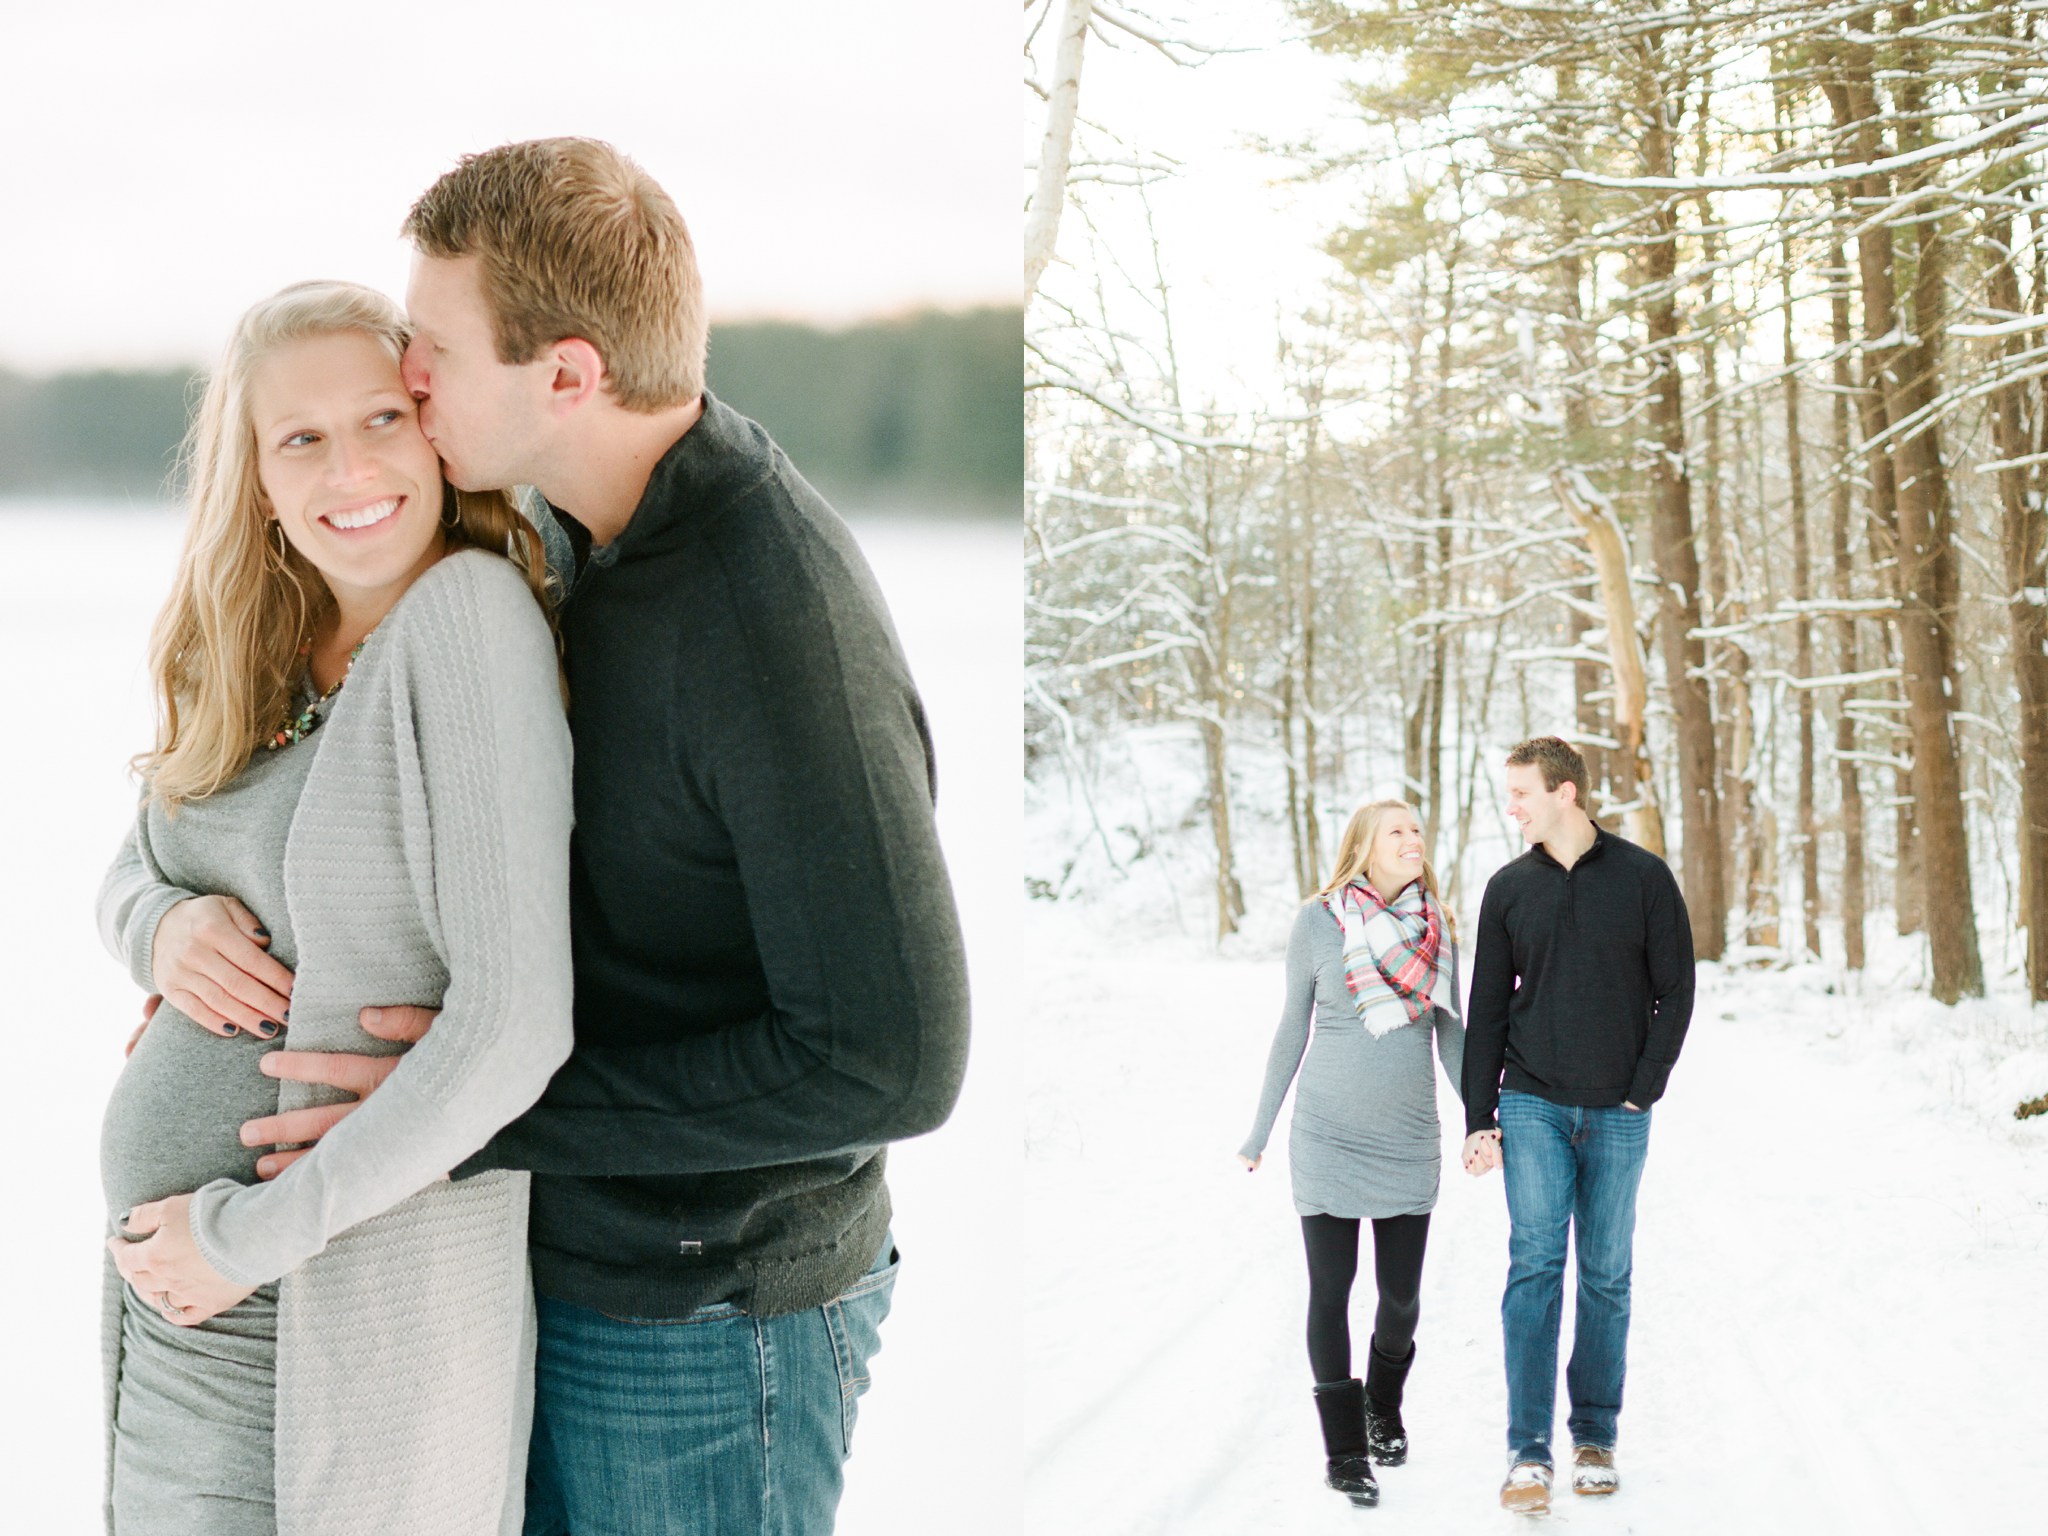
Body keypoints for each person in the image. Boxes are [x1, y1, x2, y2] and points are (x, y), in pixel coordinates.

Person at [127, 139, 972, 1536]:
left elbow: (894, 1057)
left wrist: (479, 1120)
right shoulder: (561, 522)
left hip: (710, 1319)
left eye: (434, 354)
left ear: (567, 377)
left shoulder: (773, 630)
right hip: (554, 1270)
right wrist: (181, 936)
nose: (409, 380)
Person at [96, 279, 575, 1533]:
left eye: (379, 419)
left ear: (435, 433)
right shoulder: (258, 642)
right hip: (181, 1312)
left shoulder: (466, 623)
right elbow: (133, 864)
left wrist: (249, 1239)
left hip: (332, 1310)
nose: (349, 465)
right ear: (256, 479)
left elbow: (514, 1025)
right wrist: (163, 926)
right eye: (300, 437)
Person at [1459, 736, 1695, 1516]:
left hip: (1619, 1111)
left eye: (1522, 792)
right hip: (1530, 1101)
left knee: (1605, 1272)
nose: (1513, 805)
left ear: (1566, 793)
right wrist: (1479, 1116)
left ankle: (1594, 1438)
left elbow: (1677, 989)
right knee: (1534, 1264)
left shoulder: (1643, 878)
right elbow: (1486, 1006)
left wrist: (1643, 1088)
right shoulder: (1508, 887)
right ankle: (1528, 1452)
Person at [1238, 799, 1465, 1509]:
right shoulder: (1318, 921)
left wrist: (1483, 1119)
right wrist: (1259, 1131)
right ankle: (1344, 1452)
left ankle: (1384, 1406)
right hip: (1326, 1136)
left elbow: (1452, 1032)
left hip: (1406, 1139)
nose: (1412, 840)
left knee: (1400, 1298)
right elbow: (1289, 1029)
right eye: (1396, 830)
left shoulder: (1438, 925)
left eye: (1417, 830)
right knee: (1330, 1292)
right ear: (1363, 847)